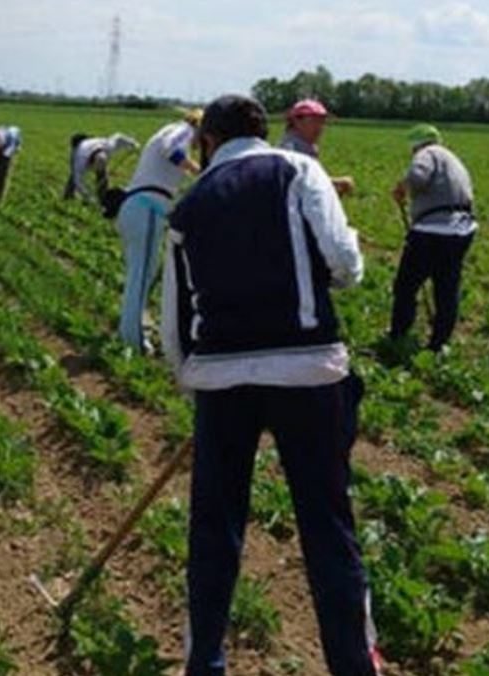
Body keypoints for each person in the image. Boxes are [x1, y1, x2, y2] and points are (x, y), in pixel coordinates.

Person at [162, 95, 379, 676]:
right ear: (262, 131)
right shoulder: (300, 170)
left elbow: (175, 323)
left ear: (209, 140)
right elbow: (345, 264)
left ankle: (204, 663)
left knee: (215, 528)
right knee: (328, 525)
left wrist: (198, 385)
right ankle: (354, 665)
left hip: (221, 380)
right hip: (308, 372)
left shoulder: (189, 206)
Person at [115, 108, 201, 351]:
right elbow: (170, 149)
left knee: (142, 273)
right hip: (146, 208)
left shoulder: (171, 130)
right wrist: (200, 172)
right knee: (142, 275)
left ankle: (130, 327)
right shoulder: (183, 130)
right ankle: (132, 339)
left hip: (139, 207)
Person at [388, 123, 477, 352]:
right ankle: (439, 343)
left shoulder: (426, 154)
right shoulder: (453, 159)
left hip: (432, 231)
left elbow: (418, 176)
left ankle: (398, 334)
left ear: (415, 145)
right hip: (462, 230)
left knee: (406, 286)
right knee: (447, 287)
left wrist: (402, 187)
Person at [278, 98, 355, 196]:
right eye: (313, 121)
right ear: (297, 122)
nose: (320, 127)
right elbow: (302, 183)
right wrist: (336, 182)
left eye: (322, 122)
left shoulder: (308, 146)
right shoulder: (290, 148)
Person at [63, 132, 140, 203]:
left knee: (102, 176)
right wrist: (87, 197)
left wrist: (133, 143)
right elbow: (78, 181)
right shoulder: (80, 158)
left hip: (95, 144)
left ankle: (102, 198)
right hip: (81, 146)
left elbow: (118, 137)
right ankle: (68, 195)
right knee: (74, 175)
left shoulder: (109, 146)